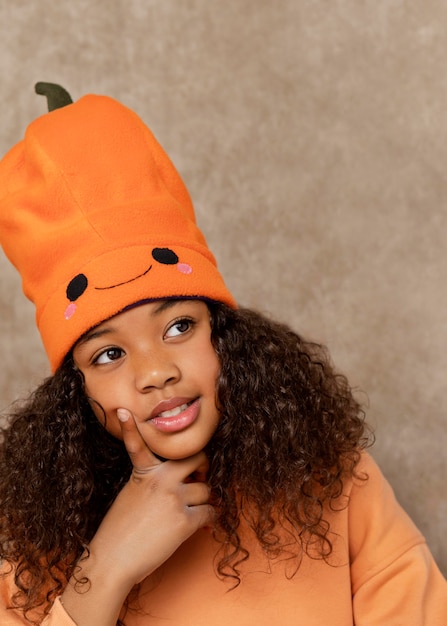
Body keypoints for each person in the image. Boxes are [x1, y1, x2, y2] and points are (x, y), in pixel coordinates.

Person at [0, 83, 445, 626]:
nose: (156, 372)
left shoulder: (340, 482)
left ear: (227, 336)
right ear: (76, 392)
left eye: (180, 325)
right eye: (109, 354)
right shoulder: (38, 545)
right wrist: (107, 565)